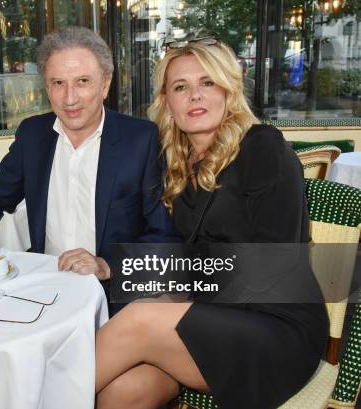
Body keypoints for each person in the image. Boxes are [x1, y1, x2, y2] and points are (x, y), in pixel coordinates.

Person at [94, 38, 327, 409]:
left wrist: (168, 296)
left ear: (228, 89)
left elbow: (269, 268)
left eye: (207, 82)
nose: (195, 96)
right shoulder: (175, 165)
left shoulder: (263, 148)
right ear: (167, 102)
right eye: (181, 87)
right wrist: (117, 269)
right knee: (121, 392)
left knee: (140, 316)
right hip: (211, 323)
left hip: (277, 330)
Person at [0, 26, 175, 288]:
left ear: (105, 84)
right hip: (45, 281)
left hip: (110, 289)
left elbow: (163, 235)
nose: (69, 99)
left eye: (82, 82)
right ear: (47, 88)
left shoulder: (142, 139)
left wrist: (107, 265)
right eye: (58, 83)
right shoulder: (33, 135)